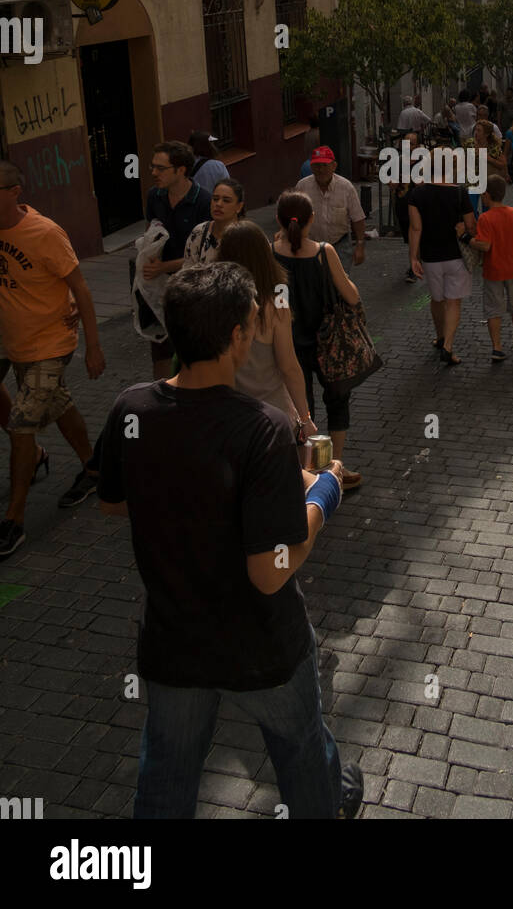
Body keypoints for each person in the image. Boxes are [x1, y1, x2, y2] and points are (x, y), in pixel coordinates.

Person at [94, 261, 361, 821]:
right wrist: (323, 496)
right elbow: (270, 569)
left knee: (165, 783)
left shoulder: (131, 408)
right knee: (303, 764)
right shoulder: (262, 428)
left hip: (174, 643)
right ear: (238, 335)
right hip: (262, 647)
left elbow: (114, 500)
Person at [0, 161, 106, 556]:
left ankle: (13, 520)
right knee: (58, 403)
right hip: (15, 342)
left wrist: (93, 347)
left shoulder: (44, 232)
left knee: (21, 424)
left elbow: (80, 286)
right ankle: (93, 466)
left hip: (51, 343)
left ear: (15, 192)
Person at [273, 192, 364, 489]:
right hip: (328, 343)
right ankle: (336, 467)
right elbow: (351, 296)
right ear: (311, 219)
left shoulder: (270, 253)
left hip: (287, 344)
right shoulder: (324, 252)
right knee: (337, 400)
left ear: (278, 220)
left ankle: (306, 470)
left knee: (302, 410)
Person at [215, 221, 315, 441]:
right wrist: (305, 418)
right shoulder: (276, 303)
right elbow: (289, 367)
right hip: (272, 416)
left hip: (227, 416)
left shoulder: (212, 302)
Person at [144, 142, 213, 378]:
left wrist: (164, 266)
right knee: (160, 351)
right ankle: (164, 394)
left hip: (193, 290)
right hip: (160, 289)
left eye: (160, 168)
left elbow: (203, 254)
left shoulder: (203, 202)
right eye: (152, 167)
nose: (154, 173)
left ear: (181, 170)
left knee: (191, 352)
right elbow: (151, 232)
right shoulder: (155, 196)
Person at [408, 146, 477, 366]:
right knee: (453, 302)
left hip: (430, 256)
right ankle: (448, 346)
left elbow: (415, 228)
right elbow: (471, 225)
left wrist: (413, 258)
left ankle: (439, 337)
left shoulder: (417, 194)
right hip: (456, 255)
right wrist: (464, 230)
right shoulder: (460, 193)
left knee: (437, 300)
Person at [470, 175, 513, 361]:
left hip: (494, 270)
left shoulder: (485, 218)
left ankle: (497, 347)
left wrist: (468, 240)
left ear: (487, 195)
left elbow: (485, 245)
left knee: (493, 309)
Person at [295, 147, 366, 267]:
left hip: (340, 244)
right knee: (313, 278)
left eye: (325, 165)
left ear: (334, 166)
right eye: (317, 166)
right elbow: (293, 215)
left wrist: (360, 245)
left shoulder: (346, 187)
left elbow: (358, 218)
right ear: (311, 167)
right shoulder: (302, 186)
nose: (321, 170)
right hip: (310, 244)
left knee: (340, 278)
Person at [183, 178, 246, 265]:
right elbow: (188, 268)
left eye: (226, 201)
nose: (218, 204)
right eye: (215, 199)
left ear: (239, 207)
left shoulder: (248, 237)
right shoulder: (199, 232)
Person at [393, 130, 422, 281]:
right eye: (406, 143)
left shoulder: (424, 162)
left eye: (411, 143)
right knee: (409, 238)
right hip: (402, 204)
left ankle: (414, 267)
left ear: (417, 146)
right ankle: (417, 262)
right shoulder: (397, 161)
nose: (408, 146)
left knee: (414, 235)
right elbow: (390, 183)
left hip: (418, 206)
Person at [465, 120, 507, 217]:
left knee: (487, 210)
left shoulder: (493, 146)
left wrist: (488, 158)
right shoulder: (469, 143)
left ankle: (486, 225)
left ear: (487, 134)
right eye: (475, 130)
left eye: (479, 130)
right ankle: (475, 225)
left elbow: (502, 164)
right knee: (471, 209)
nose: (476, 132)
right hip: (473, 181)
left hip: (488, 181)